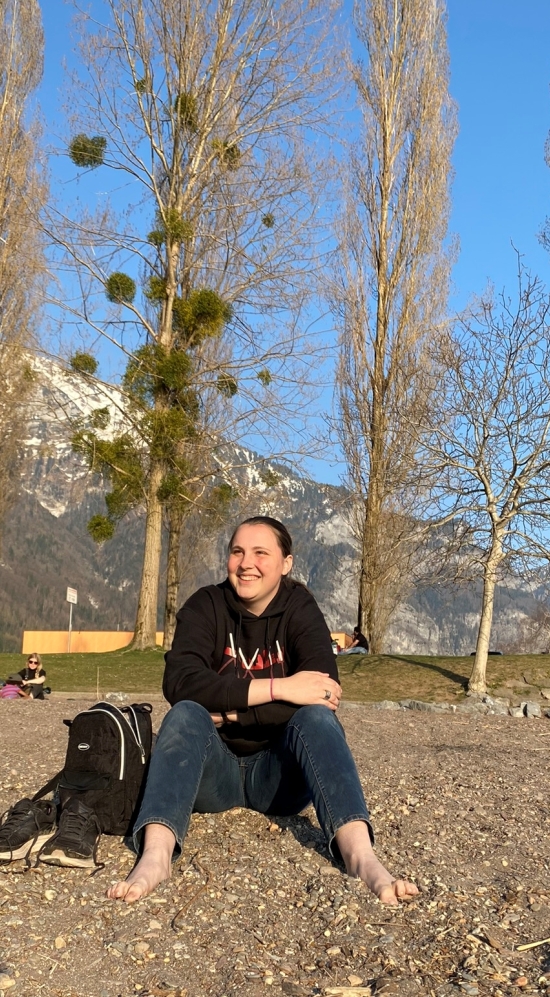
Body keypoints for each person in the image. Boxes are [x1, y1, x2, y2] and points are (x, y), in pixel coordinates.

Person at [108, 516, 418, 907]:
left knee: (317, 719)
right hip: (211, 775)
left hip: (279, 778)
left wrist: (232, 711)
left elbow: (322, 692)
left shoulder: (300, 609)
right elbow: (181, 684)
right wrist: (281, 688)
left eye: (260, 553)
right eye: (237, 552)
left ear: (286, 563)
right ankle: (155, 854)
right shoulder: (206, 605)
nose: (246, 563)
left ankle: (360, 855)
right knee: (187, 713)